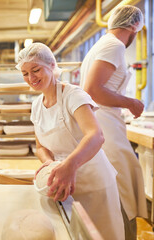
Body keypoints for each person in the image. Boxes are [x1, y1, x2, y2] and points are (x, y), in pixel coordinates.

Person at [17, 42, 124, 239]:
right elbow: (40, 146)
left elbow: (96, 135)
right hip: (63, 185)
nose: (31, 78)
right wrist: (49, 164)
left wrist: (69, 165)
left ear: (51, 65)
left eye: (36, 70)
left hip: (93, 184)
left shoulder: (72, 95)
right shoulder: (36, 106)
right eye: (25, 73)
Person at [80, 5, 147, 239]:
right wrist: (131, 102)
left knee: (120, 183)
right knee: (121, 188)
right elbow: (93, 90)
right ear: (132, 26)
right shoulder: (114, 45)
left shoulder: (102, 44)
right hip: (105, 124)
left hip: (104, 122)